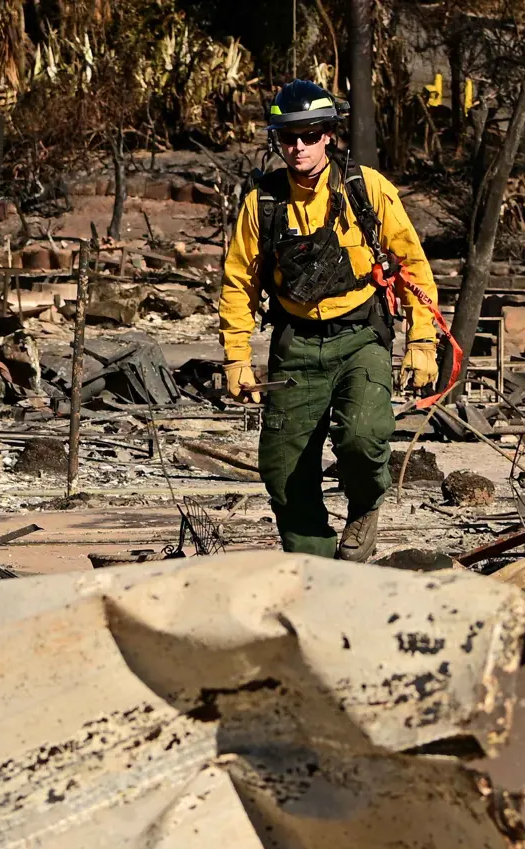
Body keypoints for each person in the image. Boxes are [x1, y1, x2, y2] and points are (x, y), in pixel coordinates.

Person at [218, 79, 440, 561]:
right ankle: (317, 568)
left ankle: (364, 507)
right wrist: (236, 357)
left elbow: (413, 268)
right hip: (296, 344)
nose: (298, 146)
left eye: (310, 133)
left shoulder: (366, 189)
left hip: (361, 337)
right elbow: (239, 283)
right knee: (282, 469)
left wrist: (423, 343)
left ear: (328, 135)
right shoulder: (263, 203)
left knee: (362, 435)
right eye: (288, 136)